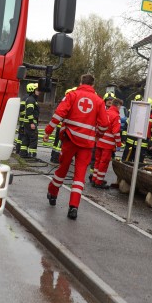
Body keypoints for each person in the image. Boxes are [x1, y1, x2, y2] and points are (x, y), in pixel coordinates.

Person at [42, 74, 108, 220]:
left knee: (62, 168)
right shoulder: (99, 101)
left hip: (70, 139)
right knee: (79, 176)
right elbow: (104, 124)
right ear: (93, 85)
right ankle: (73, 207)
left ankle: (52, 193)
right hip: (87, 144)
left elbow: (58, 114)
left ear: (80, 82)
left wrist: (48, 131)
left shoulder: (72, 95)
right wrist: (98, 135)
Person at [92, 98, 123, 188]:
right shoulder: (116, 116)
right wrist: (119, 144)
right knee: (104, 163)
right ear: (118, 106)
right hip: (108, 144)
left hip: (99, 141)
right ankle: (99, 182)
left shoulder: (106, 112)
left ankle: (95, 179)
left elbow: (98, 125)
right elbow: (116, 132)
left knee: (97, 161)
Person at [50, 87, 76, 164]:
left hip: (60, 126)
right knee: (59, 143)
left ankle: (54, 156)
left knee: (57, 142)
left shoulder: (63, 102)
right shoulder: (67, 103)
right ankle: (56, 158)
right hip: (62, 126)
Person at [20, 82, 40, 158]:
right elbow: (29, 112)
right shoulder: (31, 100)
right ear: (33, 90)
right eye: (37, 90)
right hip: (30, 122)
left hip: (27, 122)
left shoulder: (31, 99)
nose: (39, 91)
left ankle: (23, 154)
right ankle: (32, 155)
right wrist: (32, 123)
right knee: (33, 138)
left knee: (26, 138)